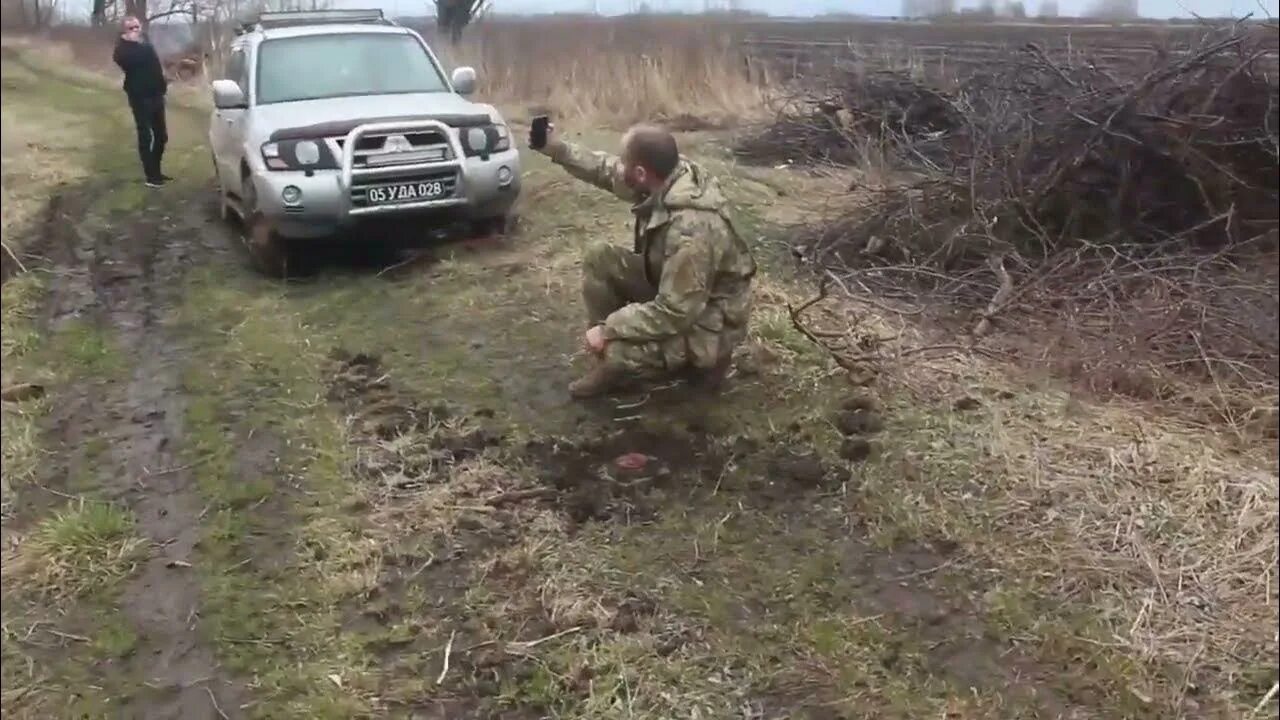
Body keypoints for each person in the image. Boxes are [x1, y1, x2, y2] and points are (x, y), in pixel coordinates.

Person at [531, 122, 757, 399]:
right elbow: (604, 169)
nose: (618, 165)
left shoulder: (691, 231)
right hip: (677, 287)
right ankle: (608, 358)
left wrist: (610, 329)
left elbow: (676, 311)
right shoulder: (664, 177)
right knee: (600, 258)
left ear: (639, 173)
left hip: (707, 319)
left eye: (624, 160)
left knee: (618, 352)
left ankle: (705, 367)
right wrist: (556, 148)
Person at [113, 16, 169, 188]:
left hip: (156, 95)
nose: (136, 30)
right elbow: (131, 62)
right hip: (139, 97)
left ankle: (156, 170)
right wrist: (135, 44)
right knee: (145, 135)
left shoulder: (146, 45)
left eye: (137, 27)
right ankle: (151, 176)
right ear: (124, 32)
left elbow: (155, 66)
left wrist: (162, 86)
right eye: (131, 28)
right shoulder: (122, 50)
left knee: (162, 136)